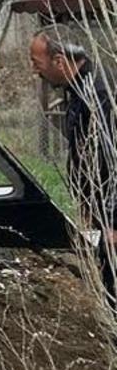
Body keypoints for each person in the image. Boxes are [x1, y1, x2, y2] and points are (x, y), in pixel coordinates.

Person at [29, 28, 117, 306]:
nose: (36, 71)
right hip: (101, 211)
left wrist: (114, 223)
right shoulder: (80, 88)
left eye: (37, 63)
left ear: (59, 61)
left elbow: (110, 158)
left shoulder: (100, 94)